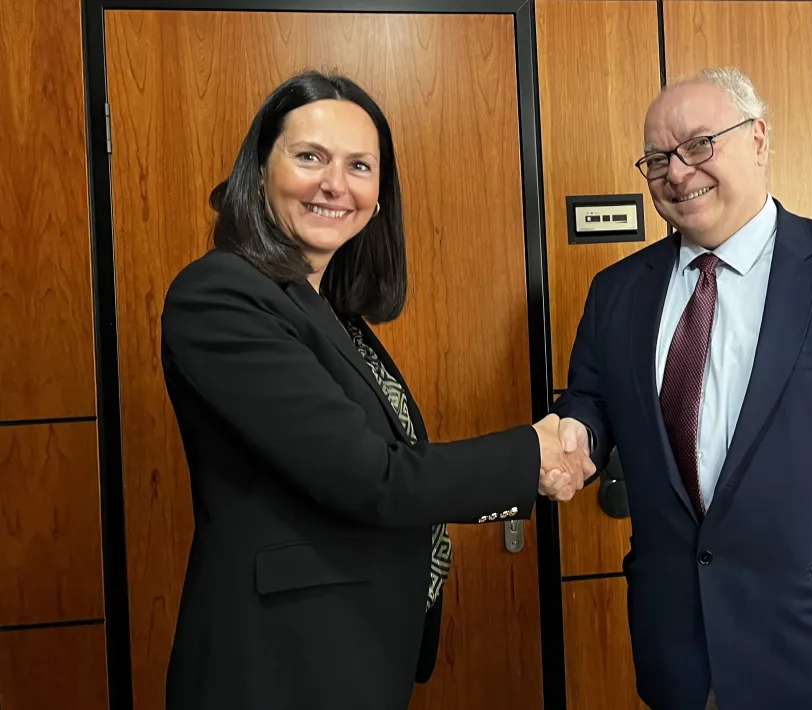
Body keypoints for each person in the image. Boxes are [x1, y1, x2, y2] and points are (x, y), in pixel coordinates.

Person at [159, 70, 591, 710]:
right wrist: (531, 455)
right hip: (276, 665)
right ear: (259, 171)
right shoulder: (220, 294)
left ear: (380, 196)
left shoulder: (327, 309)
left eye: (359, 166)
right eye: (311, 157)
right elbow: (368, 476)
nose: (336, 184)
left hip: (345, 650)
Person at [551, 67, 812, 709]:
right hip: (684, 650)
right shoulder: (617, 292)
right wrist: (577, 431)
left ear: (759, 139)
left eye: (699, 145)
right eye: (657, 159)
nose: (678, 173)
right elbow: (593, 398)